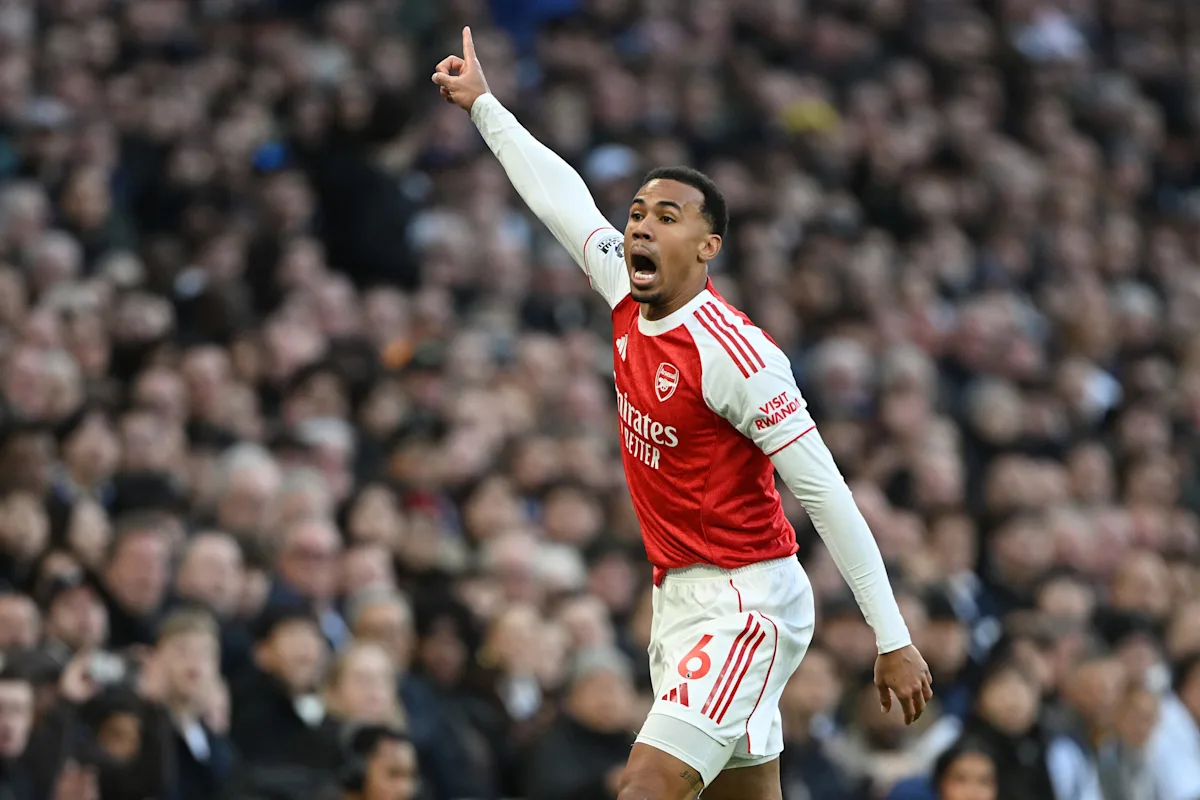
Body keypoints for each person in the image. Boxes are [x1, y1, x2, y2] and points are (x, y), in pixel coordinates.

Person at [432, 27, 932, 800]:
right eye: (637, 212)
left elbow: (825, 493)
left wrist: (891, 636)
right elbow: (561, 198)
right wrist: (485, 107)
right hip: (678, 599)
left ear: (708, 247)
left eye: (667, 217)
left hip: (746, 600)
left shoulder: (738, 356)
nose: (640, 225)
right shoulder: (624, 292)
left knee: (646, 786)